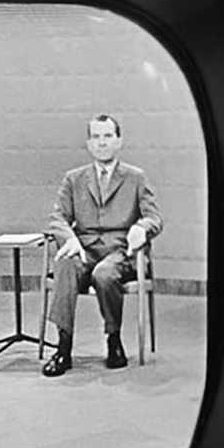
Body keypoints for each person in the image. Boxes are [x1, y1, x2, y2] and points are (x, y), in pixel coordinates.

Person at [42, 114, 163, 377]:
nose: (102, 143)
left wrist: (141, 228)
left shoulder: (136, 177)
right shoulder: (74, 179)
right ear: (88, 143)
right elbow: (57, 218)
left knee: (104, 273)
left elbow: (154, 218)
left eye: (108, 136)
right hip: (84, 250)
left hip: (120, 253)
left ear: (118, 141)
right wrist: (71, 239)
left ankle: (113, 340)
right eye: (96, 137)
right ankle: (63, 348)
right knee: (64, 263)